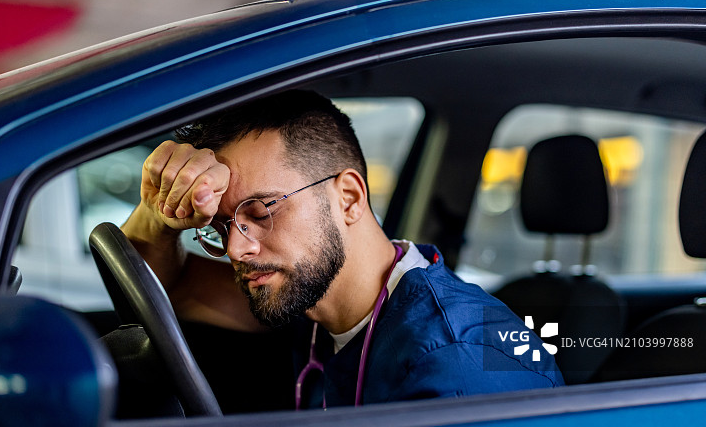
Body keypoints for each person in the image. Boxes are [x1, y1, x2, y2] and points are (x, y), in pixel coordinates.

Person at [122, 90, 563, 410]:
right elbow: (163, 286)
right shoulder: (307, 289)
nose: (237, 247)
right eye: (221, 225)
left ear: (349, 198)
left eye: (260, 212)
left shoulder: (457, 364)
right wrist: (159, 208)